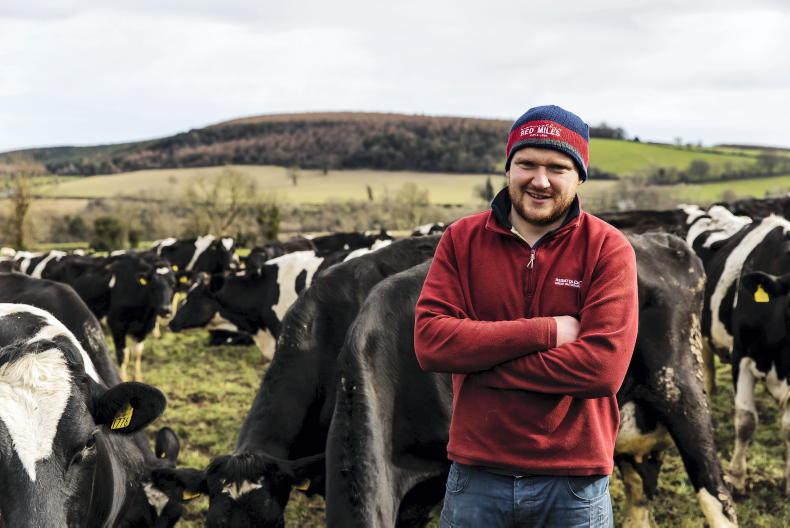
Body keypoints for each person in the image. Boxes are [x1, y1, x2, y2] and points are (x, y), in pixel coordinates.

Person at [414, 105, 639, 527]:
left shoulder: (607, 249)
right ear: (508, 168)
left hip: (574, 480)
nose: (540, 180)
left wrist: (480, 362)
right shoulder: (461, 240)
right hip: (477, 473)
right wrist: (546, 331)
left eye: (557, 167)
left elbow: (602, 370)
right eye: (527, 164)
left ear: (579, 177)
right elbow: (431, 343)